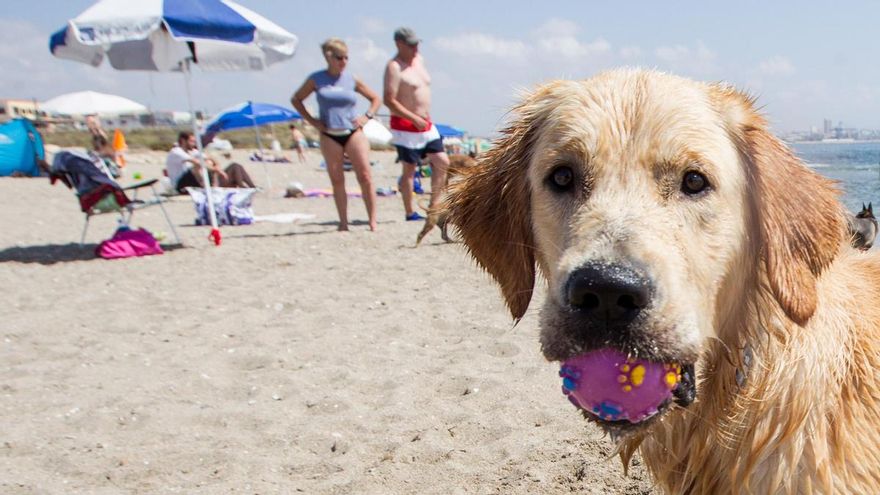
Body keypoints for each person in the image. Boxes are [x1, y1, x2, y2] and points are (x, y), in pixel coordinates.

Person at [291, 38, 381, 231]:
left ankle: (372, 220)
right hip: (329, 132)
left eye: (347, 57)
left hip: (353, 131)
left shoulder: (352, 79)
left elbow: (375, 98)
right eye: (340, 57)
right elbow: (296, 99)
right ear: (328, 57)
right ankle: (343, 222)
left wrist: (367, 117)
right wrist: (313, 121)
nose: (344, 61)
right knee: (337, 179)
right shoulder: (316, 79)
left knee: (365, 175)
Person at [383, 27, 450, 222]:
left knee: (442, 161)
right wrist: (413, 118)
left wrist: (422, 119)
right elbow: (389, 100)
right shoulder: (394, 67)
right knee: (409, 170)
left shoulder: (419, 61)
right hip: (405, 125)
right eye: (411, 45)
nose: (415, 48)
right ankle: (410, 211)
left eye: (417, 44)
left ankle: (433, 206)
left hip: (426, 124)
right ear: (399, 44)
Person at [166, 131, 256, 194]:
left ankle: (250, 187)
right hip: (182, 183)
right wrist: (216, 170)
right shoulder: (176, 151)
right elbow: (196, 162)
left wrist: (217, 167)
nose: (193, 144)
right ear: (183, 141)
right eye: (191, 141)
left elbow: (210, 157)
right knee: (198, 166)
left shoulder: (192, 151)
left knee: (235, 166)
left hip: (197, 179)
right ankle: (207, 188)